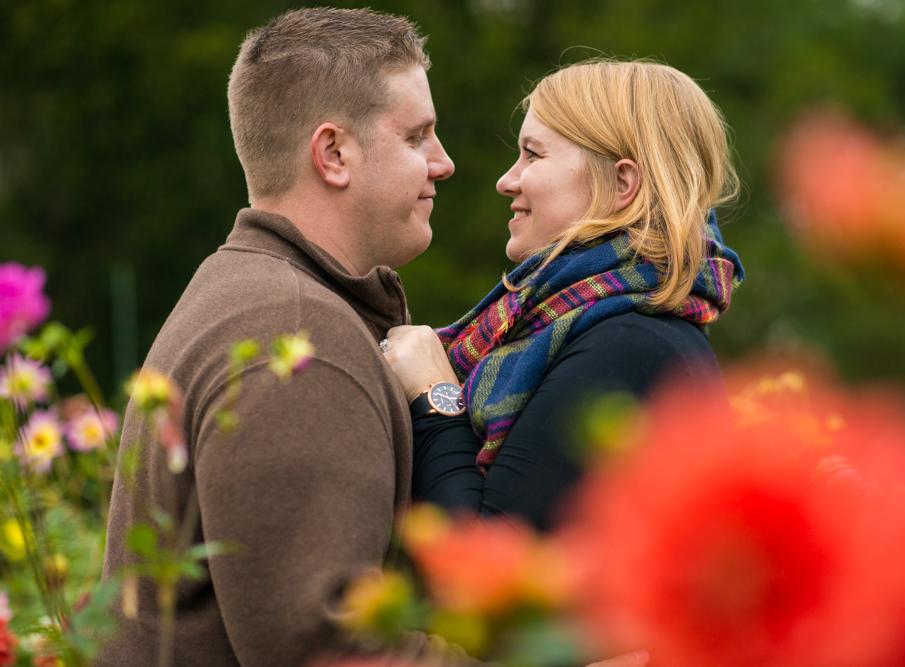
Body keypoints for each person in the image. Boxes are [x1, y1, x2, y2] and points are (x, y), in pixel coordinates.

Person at [99, 8, 456, 666]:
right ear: (333, 154)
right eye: (418, 137)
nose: (444, 163)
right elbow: (325, 646)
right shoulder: (296, 337)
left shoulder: (247, 294)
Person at [384, 59, 744, 531]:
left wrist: (435, 396)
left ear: (622, 185)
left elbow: (486, 563)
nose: (506, 181)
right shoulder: (613, 327)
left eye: (533, 155)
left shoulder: (631, 344)